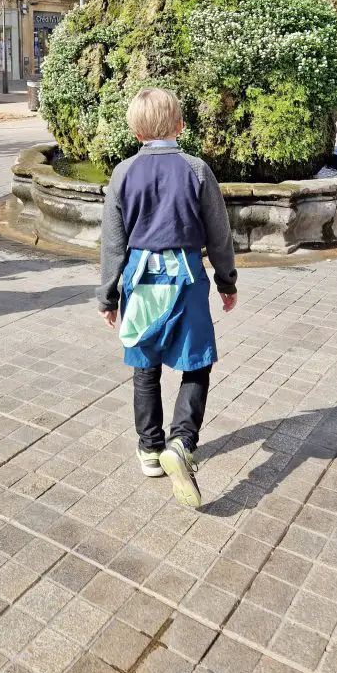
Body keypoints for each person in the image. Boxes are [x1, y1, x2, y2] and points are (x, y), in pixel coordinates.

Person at [96, 88, 238, 509]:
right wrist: (227, 282)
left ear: (135, 130)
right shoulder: (197, 170)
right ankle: (182, 441)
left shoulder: (123, 173)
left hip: (141, 281)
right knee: (197, 363)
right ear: (179, 125)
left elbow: (112, 244)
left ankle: (150, 449)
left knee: (145, 364)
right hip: (188, 278)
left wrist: (108, 296)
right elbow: (219, 234)